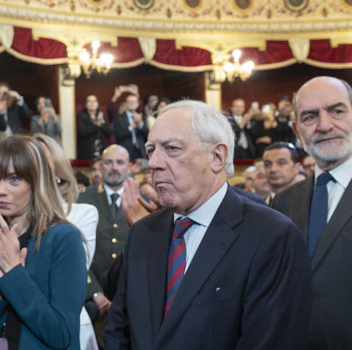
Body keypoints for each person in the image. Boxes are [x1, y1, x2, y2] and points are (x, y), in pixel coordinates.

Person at [105, 100, 312, 350]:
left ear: (217, 156)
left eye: (171, 148)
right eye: (151, 151)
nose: (155, 163)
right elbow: (118, 331)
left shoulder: (272, 235)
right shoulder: (143, 232)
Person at [0, 135, 86, 350]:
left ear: (36, 183)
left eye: (14, 179)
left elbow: (61, 335)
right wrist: (1, 294)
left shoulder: (64, 239)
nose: (0, 190)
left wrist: (13, 275)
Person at [272, 76, 352, 349]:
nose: (325, 125)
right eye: (310, 117)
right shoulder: (282, 202)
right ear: (297, 130)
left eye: (337, 111)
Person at [34, 134, 100, 350]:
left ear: (59, 169)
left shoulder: (82, 213)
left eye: (41, 158)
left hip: (66, 327)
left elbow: (72, 275)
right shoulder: (8, 216)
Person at [77, 145, 130, 330]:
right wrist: (95, 292)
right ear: (100, 166)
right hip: (92, 301)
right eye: (108, 162)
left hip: (130, 299)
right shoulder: (83, 200)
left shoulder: (141, 199)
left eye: (120, 162)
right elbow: (76, 251)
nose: (114, 167)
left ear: (128, 167)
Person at [113, 92, 147, 161]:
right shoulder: (118, 118)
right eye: (129, 102)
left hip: (141, 151)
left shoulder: (142, 117)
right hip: (126, 151)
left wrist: (140, 124)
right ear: (125, 104)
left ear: (138, 104)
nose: (132, 103)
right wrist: (132, 127)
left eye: (134, 101)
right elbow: (118, 135)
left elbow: (147, 135)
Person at [76, 94, 110, 161]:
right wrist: (96, 124)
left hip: (101, 148)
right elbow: (82, 132)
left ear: (97, 104)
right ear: (85, 105)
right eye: (89, 101)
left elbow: (108, 133)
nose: (92, 103)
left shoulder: (102, 115)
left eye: (94, 101)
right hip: (87, 150)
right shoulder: (81, 116)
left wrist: (102, 123)